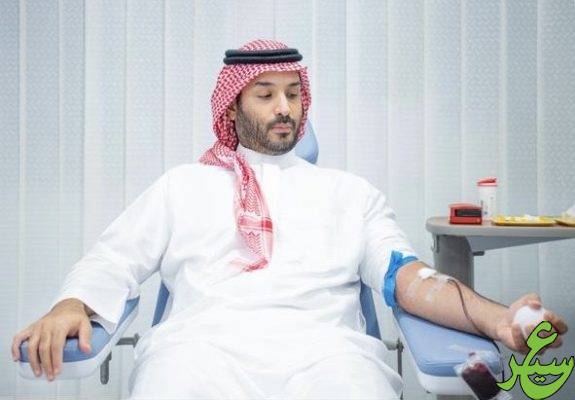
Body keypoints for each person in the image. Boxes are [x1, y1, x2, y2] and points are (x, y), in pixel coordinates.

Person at [12, 39, 568, 400]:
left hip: (327, 353)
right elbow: (115, 258)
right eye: (266, 94)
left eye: (294, 94)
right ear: (232, 107)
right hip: (199, 351)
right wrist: (69, 305)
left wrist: (500, 320)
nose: (285, 108)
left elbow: (408, 278)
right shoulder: (183, 186)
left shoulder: (350, 194)